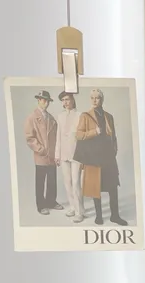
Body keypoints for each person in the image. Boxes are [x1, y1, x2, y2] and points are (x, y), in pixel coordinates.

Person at [74, 88, 127, 226]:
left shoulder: (109, 116)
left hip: (108, 157)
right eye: (92, 98)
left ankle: (115, 216)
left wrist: (114, 150)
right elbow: (78, 135)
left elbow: (114, 136)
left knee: (113, 187)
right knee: (95, 187)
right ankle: (99, 216)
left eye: (97, 98)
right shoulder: (85, 116)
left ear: (102, 100)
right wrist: (94, 131)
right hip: (93, 157)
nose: (94, 100)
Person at [24, 90, 62, 215]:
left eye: (47, 100)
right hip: (41, 155)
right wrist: (40, 149)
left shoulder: (51, 118)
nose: (46, 103)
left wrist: (57, 153)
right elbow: (30, 138)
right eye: (43, 100)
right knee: (40, 181)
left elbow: (56, 136)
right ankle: (41, 205)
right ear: (39, 100)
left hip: (52, 155)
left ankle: (51, 201)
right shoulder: (32, 117)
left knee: (52, 180)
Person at [55, 91, 84, 223]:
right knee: (67, 182)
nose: (65, 102)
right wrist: (57, 155)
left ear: (73, 100)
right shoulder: (60, 116)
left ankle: (79, 212)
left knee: (76, 182)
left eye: (67, 99)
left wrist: (83, 156)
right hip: (64, 154)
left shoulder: (80, 115)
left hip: (76, 154)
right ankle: (72, 207)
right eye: (63, 100)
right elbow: (58, 137)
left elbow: (83, 138)